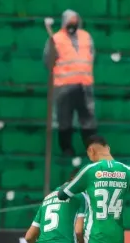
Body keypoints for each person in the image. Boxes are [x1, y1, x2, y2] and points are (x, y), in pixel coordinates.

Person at [44, 9, 97, 156]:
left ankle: (92, 149)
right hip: (64, 87)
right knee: (64, 119)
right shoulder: (56, 39)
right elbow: (48, 61)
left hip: (84, 85)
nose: (72, 24)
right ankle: (66, 149)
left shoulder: (86, 37)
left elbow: (92, 55)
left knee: (88, 119)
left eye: (75, 20)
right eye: (70, 21)